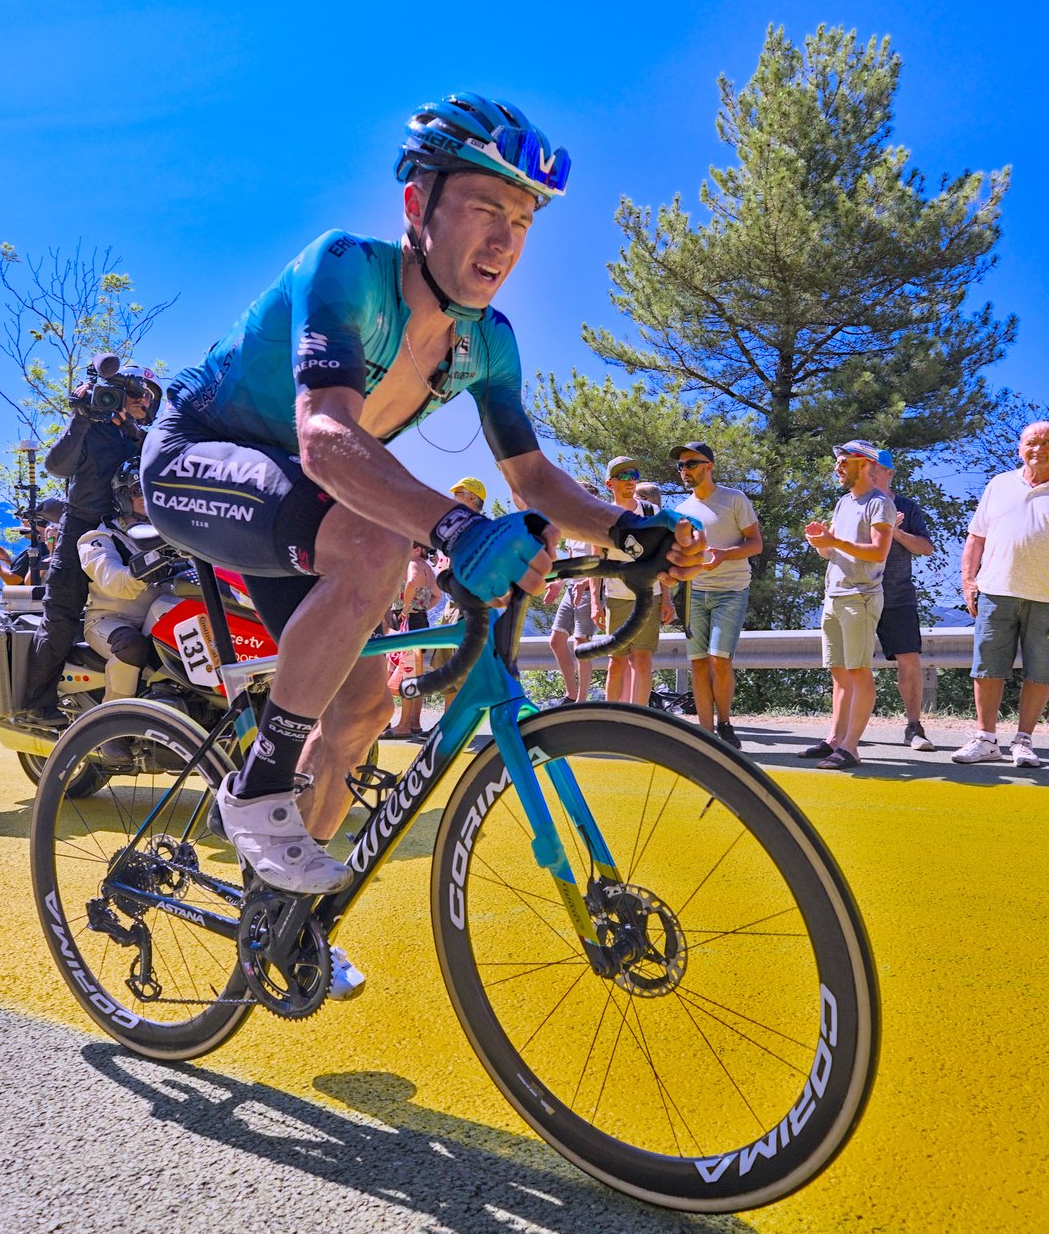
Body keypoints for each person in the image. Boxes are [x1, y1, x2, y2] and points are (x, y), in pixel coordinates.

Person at [139, 91, 703, 961]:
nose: (506, 240)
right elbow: (325, 440)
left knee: (363, 708)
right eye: (485, 208)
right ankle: (256, 787)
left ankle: (277, 919)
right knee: (377, 539)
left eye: (522, 220)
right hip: (199, 454)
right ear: (417, 206)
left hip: (293, 499)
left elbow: (535, 477)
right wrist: (451, 529)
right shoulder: (346, 269)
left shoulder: (489, 341)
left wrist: (629, 534)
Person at [952, 422, 1049, 768]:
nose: (1039, 448)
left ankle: (1024, 740)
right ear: (1020, 448)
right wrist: (969, 581)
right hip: (995, 591)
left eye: (1048, 443)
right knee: (987, 667)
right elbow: (976, 538)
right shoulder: (999, 485)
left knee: (1041, 670)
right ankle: (986, 738)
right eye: (1032, 442)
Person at [22, 370, 158, 726]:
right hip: (81, 526)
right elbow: (56, 466)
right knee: (61, 615)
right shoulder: (94, 428)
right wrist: (80, 418)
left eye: (146, 395)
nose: (141, 400)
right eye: (133, 393)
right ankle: (38, 704)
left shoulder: (144, 440)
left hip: (131, 530)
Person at [799, 441, 895, 769]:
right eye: (837, 462)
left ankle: (851, 748)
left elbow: (878, 552)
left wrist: (834, 541)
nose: (837, 467)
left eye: (843, 462)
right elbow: (832, 551)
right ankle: (834, 740)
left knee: (858, 671)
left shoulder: (880, 504)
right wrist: (821, 542)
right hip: (835, 595)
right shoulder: (843, 503)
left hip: (860, 596)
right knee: (839, 673)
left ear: (863, 464)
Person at [672, 441, 762, 747]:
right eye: (681, 466)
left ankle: (724, 723)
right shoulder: (680, 511)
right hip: (694, 593)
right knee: (698, 662)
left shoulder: (735, 499)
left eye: (691, 464)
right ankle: (706, 734)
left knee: (719, 659)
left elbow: (756, 544)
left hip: (731, 591)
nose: (685, 470)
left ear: (709, 466)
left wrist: (725, 554)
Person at [590, 458, 678, 707]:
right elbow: (596, 561)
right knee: (615, 661)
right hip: (617, 597)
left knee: (642, 660)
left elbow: (664, 558)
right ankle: (611, 717)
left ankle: (639, 718)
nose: (630, 480)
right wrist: (595, 604)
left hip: (651, 594)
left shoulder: (652, 512)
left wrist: (668, 599)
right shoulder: (602, 517)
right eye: (623, 476)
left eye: (634, 474)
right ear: (610, 483)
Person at [78, 464, 162, 721]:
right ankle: (114, 726)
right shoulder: (99, 538)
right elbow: (112, 580)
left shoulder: (172, 534)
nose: (146, 498)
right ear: (123, 496)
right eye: (139, 491)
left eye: (152, 491)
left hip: (159, 620)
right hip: (110, 621)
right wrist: (144, 573)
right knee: (132, 645)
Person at [877, 475, 938, 751]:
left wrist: (896, 532)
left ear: (890, 474)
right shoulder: (852, 505)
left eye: (876, 468)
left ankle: (914, 727)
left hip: (898, 596)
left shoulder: (906, 506)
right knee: (850, 665)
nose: (869, 472)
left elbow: (926, 548)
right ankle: (844, 732)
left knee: (909, 660)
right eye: (866, 466)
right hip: (859, 594)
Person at [543, 481, 604, 706]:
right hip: (572, 588)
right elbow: (570, 562)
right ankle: (571, 694)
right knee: (556, 640)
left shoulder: (595, 528)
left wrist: (586, 585)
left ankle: (581, 701)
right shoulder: (570, 528)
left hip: (591, 588)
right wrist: (558, 583)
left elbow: (603, 564)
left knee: (581, 644)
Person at [385, 543, 443, 738]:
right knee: (415, 673)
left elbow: (411, 582)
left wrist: (406, 608)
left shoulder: (414, 563)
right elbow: (437, 595)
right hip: (419, 621)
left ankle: (403, 726)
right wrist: (422, 608)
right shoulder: (428, 568)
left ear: (417, 550)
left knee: (407, 673)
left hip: (407, 623)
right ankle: (414, 723)